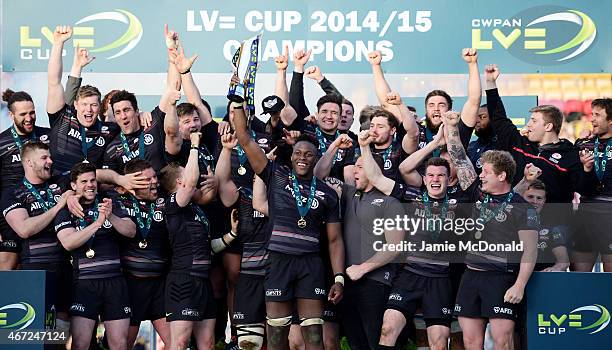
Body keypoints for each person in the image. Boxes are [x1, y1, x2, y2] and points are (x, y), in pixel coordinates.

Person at [232, 100, 344, 350]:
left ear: (316, 159)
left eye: (309, 155)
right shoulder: (275, 176)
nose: (303, 158)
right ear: (291, 157)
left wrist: (339, 278)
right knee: (276, 337)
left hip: (310, 264)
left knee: (315, 337)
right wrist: (238, 104)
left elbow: (335, 239)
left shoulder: (327, 193)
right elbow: (245, 138)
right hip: (279, 261)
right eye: (298, 154)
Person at [443, 111, 539, 350]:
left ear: (502, 175)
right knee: (470, 341)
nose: (480, 175)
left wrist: (519, 285)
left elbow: (530, 250)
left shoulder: (521, 207)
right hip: (470, 275)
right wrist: (453, 128)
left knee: (503, 341)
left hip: (501, 278)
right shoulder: (476, 193)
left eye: (485, 172)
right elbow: (458, 157)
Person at [315, 132, 405, 350]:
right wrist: (335, 145)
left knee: (376, 341)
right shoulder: (348, 193)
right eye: (355, 166)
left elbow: (395, 247)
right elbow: (317, 177)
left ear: (376, 172)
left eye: (361, 167)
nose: (356, 171)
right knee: (356, 343)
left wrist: (363, 268)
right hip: (348, 282)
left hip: (375, 282)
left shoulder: (390, 202)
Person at [55, 162, 136, 350]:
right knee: (81, 344)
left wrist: (111, 217)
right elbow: (68, 243)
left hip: (114, 282)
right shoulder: (66, 211)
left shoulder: (108, 202)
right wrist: (98, 223)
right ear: (73, 186)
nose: (90, 185)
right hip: (84, 284)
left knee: (119, 344)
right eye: (84, 181)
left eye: (93, 180)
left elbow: (131, 231)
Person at [1, 142, 72, 331]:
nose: (50, 161)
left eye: (50, 157)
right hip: (36, 272)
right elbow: (24, 229)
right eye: (44, 158)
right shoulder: (13, 193)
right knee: (38, 334)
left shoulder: (61, 182)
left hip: (67, 269)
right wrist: (58, 207)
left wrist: (122, 180)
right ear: (29, 162)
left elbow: (91, 175)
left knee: (61, 332)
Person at [161, 131, 222, 350]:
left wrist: (231, 234)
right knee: (180, 342)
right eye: (188, 173)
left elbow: (208, 191)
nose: (193, 176)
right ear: (180, 180)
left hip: (203, 281)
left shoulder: (197, 208)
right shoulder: (173, 203)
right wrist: (194, 146)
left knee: (207, 343)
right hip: (183, 280)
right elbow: (189, 186)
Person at [112, 159, 172, 348]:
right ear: (134, 183)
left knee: (178, 343)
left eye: (154, 176)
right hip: (131, 286)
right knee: (123, 345)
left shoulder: (165, 198)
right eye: (148, 179)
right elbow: (87, 176)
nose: (154, 181)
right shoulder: (119, 201)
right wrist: (119, 179)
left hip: (160, 285)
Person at [0, 89, 50, 270]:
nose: (29, 118)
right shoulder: (2, 142)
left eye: (32, 112)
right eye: (23, 114)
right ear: (11, 115)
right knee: (7, 272)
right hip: (11, 214)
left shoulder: (47, 136)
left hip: (43, 210)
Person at [574, 98, 612, 271]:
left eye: (597, 115)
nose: (592, 119)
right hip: (586, 214)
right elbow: (579, 186)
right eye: (592, 114)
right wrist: (587, 170)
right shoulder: (583, 145)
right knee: (580, 278)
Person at [467, 104, 498, 174]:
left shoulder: (502, 146)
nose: (477, 120)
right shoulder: (471, 146)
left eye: (482, 117)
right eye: (476, 117)